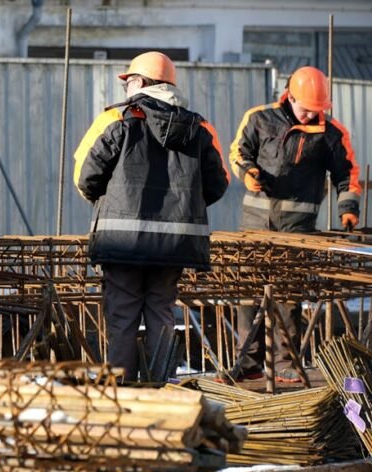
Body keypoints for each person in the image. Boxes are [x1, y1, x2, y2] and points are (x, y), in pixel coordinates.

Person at [73, 51, 230, 382]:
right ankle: (161, 386)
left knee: (122, 317)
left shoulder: (116, 120)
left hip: (122, 243)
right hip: (173, 248)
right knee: (161, 313)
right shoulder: (199, 127)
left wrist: (109, 203)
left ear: (139, 82)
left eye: (129, 81)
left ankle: (121, 389)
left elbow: (85, 177)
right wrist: (183, 211)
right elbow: (218, 184)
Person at [230, 65, 361, 382]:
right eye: (306, 109)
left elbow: (347, 175)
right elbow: (238, 153)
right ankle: (248, 363)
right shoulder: (259, 118)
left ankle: (285, 363)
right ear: (290, 97)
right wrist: (248, 173)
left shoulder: (331, 133)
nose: (309, 116)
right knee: (249, 294)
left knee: (288, 298)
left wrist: (348, 208)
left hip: (297, 230)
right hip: (256, 226)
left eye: (316, 110)